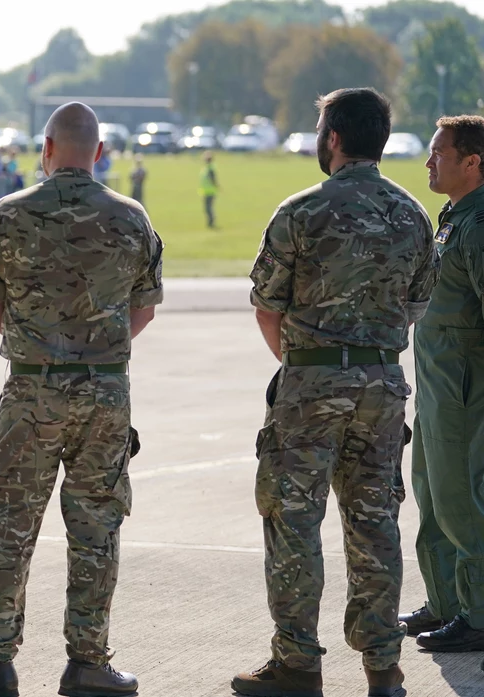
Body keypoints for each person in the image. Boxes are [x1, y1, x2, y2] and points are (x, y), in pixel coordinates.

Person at [0, 101, 162, 697]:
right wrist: (94, 349)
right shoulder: (130, 217)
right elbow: (142, 308)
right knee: (96, 526)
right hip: (105, 389)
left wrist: (39, 346)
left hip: (31, 387)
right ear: (98, 152)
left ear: (46, 148)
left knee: (10, 522)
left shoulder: (7, 215)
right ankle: (88, 662)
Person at [232, 88, 440, 697]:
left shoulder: (301, 210)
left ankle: (297, 662)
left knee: (294, 520)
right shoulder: (411, 215)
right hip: (382, 385)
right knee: (375, 523)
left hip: (310, 382)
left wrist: (305, 365)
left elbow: (267, 305)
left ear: (334, 139)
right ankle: (383, 667)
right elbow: (415, 307)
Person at [401, 115, 484, 654]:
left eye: (439, 153)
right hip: (437, 384)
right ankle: (447, 600)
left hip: (464, 389)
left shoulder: (479, 228)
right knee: (431, 495)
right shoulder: (454, 218)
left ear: (474, 162)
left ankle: (478, 614)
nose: (429, 162)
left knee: (462, 501)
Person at [199, 151, 218, 228]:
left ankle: (211, 221)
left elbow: (213, 179)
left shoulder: (210, 169)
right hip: (206, 191)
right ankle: (210, 221)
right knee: (207, 208)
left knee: (208, 208)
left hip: (210, 192)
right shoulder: (207, 168)